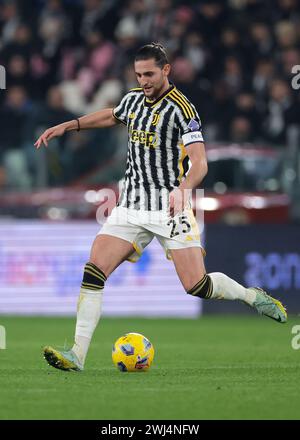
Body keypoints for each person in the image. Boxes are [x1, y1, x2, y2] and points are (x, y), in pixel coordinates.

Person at [35, 43, 287, 372]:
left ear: (166, 70)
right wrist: (68, 125)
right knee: (94, 271)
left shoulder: (183, 109)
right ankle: (77, 355)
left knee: (197, 285)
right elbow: (111, 115)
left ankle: (250, 296)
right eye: (139, 74)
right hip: (132, 204)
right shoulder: (133, 100)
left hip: (171, 206)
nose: (144, 81)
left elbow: (200, 164)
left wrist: (183, 190)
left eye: (150, 74)